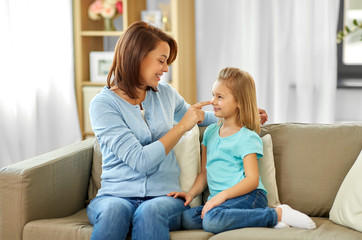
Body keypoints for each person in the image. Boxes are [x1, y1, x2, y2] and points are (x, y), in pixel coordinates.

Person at [87, 21, 268, 240]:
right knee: (114, 212)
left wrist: (243, 114)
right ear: (137, 56)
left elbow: (201, 118)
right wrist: (182, 126)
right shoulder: (103, 104)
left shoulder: (165, 93)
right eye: (161, 61)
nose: (165, 69)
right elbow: (140, 160)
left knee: (149, 212)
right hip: (115, 195)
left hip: (163, 196)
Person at [168, 67, 316, 234]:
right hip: (221, 204)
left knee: (212, 221)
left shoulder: (247, 137)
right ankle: (259, 220)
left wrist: (221, 196)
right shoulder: (209, 133)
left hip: (249, 197)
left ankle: (277, 214)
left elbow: (252, 180)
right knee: (185, 219)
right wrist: (190, 193)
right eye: (213, 95)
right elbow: (204, 173)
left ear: (238, 101)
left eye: (220, 97)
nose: (213, 101)